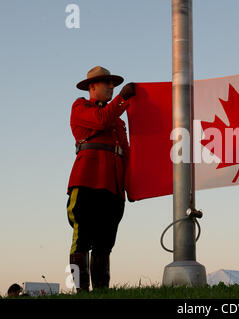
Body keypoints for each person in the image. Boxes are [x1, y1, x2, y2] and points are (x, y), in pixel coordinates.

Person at [67, 66, 135, 291]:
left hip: (113, 187)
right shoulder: (80, 107)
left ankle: (102, 292)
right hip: (86, 182)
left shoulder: (118, 120)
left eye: (112, 83)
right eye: (106, 83)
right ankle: (80, 290)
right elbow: (100, 121)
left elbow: (126, 153)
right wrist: (123, 100)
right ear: (92, 87)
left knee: (105, 243)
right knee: (81, 240)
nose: (111, 87)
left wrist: (129, 187)